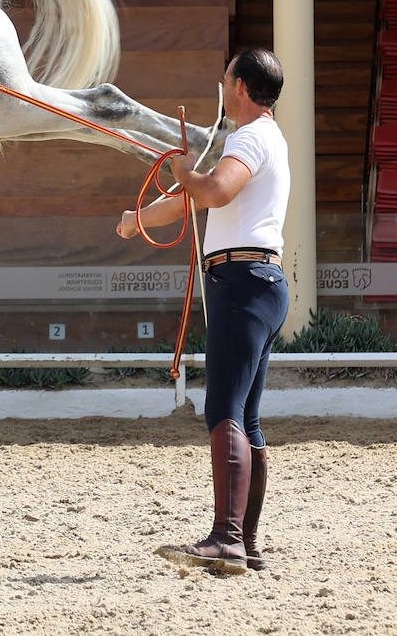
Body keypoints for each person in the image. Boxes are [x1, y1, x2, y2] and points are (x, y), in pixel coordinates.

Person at [116, 48, 290, 575]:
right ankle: (246, 542)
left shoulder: (251, 137)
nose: (223, 86)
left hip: (243, 282)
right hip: (255, 282)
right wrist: (138, 218)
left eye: (225, 80)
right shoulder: (263, 138)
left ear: (239, 87)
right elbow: (192, 199)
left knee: (223, 410)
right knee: (246, 416)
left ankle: (228, 539)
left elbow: (212, 190)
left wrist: (186, 170)